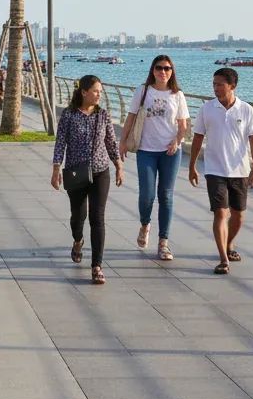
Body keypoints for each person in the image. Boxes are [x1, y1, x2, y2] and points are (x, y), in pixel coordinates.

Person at [50, 75, 124, 285]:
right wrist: (56, 169)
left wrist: (118, 165)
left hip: (100, 171)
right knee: (78, 216)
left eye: (100, 91)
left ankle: (97, 266)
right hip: (76, 172)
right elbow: (60, 143)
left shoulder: (103, 115)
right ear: (83, 92)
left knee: (97, 218)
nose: (99, 95)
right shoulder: (69, 115)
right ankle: (78, 240)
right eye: (95, 91)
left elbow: (111, 142)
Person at [189, 67, 253, 275]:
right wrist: (192, 165)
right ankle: (223, 259)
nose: (216, 88)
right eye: (214, 84)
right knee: (221, 212)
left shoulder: (246, 109)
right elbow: (198, 137)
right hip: (214, 169)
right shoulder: (207, 108)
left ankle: (229, 244)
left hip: (240, 170)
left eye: (220, 84)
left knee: (238, 216)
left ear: (232, 86)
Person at [119, 55, 190, 261]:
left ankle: (163, 243)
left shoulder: (177, 95)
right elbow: (131, 117)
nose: (163, 72)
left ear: (172, 71)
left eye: (167, 68)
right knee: (147, 195)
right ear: (153, 70)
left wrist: (176, 141)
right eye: (159, 68)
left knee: (166, 195)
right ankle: (145, 224)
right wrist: (122, 141)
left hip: (170, 152)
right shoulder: (143, 91)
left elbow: (183, 125)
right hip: (146, 150)